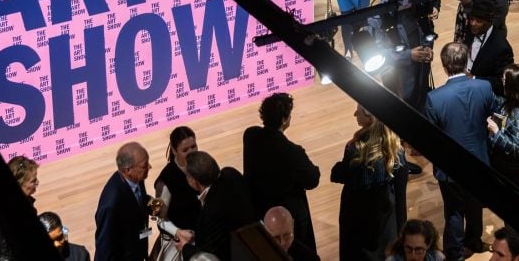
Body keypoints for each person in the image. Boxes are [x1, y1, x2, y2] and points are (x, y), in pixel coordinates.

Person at [424, 43, 496, 261]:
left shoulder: (435, 98)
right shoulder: (484, 87)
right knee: (475, 203)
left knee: (454, 212)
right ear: (466, 63)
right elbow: (495, 115)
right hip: (479, 161)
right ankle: (474, 240)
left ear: (444, 66)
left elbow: (430, 137)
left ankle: (454, 254)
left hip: (450, 167)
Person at [243, 93, 320, 249]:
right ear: (285, 119)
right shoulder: (292, 152)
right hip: (286, 217)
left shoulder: (250, 135)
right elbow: (312, 180)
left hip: (258, 209)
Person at [332, 104, 406, 261]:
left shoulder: (355, 151)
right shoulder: (396, 150)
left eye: (358, 111)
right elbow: (401, 199)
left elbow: (337, 175)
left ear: (369, 117)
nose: (354, 114)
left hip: (357, 225)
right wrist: (401, 233)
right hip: (386, 224)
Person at [373, 0, 437, 113]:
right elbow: (378, 54)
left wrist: (428, 48)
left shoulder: (417, 8)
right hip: (399, 85)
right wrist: (409, 55)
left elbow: (427, 31)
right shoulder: (379, 17)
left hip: (421, 77)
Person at [172, 151, 255, 261]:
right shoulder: (231, 173)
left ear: (194, 181)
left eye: (187, 175)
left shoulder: (211, 213)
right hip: (254, 242)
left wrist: (185, 248)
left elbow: (209, 256)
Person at [94, 142, 154, 261]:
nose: (150, 167)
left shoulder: (136, 178)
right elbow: (105, 250)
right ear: (128, 170)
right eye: (144, 165)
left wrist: (151, 205)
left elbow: (137, 200)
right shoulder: (111, 205)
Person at [487, 63, 519, 190]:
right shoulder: (518, 100)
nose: (502, 83)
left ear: (512, 85)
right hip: (507, 168)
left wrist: (496, 132)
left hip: (512, 172)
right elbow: (501, 102)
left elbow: (517, 149)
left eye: (504, 80)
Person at [152, 127, 201, 232]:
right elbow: (160, 219)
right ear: (174, 151)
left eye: (193, 146)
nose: (191, 152)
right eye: (185, 150)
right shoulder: (165, 182)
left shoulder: (203, 163)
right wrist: (178, 233)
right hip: (185, 240)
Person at [0, 155, 38, 259]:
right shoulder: (1, 220)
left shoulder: (27, 202)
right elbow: (0, 256)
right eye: (33, 181)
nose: (37, 182)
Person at [464, 0, 514, 95]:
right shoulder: (471, 30)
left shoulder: (502, 48)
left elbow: (502, 83)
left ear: (489, 22)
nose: (473, 23)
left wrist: (474, 78)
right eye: (471, 19)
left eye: (478, 21)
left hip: (484, 95)